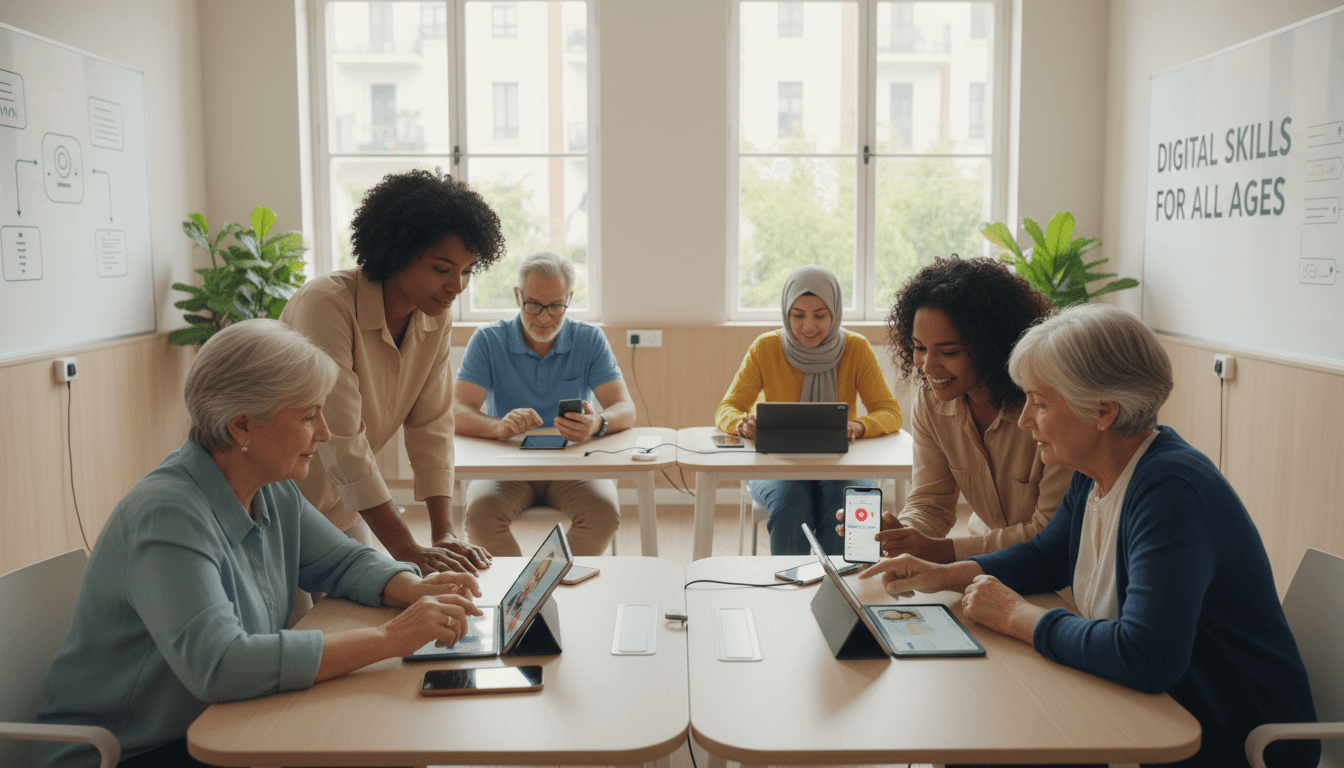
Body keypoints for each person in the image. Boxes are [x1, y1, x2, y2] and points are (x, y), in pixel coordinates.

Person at [861, 304, 1319, 768]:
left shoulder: (1172, 492)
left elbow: (1146, 655)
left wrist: (1018, 615)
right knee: (980, 733)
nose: (1025, 421)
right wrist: (944, 574)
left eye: (1040, 403)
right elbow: (1048, 557)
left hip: (1226, 739)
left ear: (1102, 412)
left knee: (991, 741)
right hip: (1151, 708)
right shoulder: (1096, 468)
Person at [35, 320, 484, 768]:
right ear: (243, 427)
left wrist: (411, 587)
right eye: (309, 416)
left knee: (382, 739)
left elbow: (341, 562)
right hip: (126, 752)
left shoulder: (269, 486)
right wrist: (390, 638)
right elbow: (220, 665)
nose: (324, 432)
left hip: (219, 722)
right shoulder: (167, 515)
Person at [281, 168, 502, 576]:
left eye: (468, 270)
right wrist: (404, 546)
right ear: (397, 252)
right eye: (442, 268)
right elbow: (340, 436)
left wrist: (443, 534)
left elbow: (432, 426)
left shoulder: (436, 314)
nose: (457, 286)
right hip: (279, 504)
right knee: (302, 628)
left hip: (344, 506)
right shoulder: (325, 304)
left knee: (361, 613)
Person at [839, 256, 1069, 561]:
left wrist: (940, 551)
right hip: (983, 559)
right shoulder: (930, 400)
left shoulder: (1048, 407)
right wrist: (902, 536)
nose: (927, 366)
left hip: (1056, 575)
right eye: (919, 347)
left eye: (948, 351)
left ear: (993, 346)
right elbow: (931, 501)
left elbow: (1048, 532)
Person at [453, 250, 636, 556]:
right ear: (517, 296)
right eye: (534, 305)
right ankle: (524, 596)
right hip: (507, 466)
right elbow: (457, 411)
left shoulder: (589, 339)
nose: (543, 318)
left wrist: (597, 423)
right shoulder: (488, 339)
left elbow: (625, 409)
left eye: (555, 307)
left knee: (603, 515)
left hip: (574, 465)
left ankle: (544, 588)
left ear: (569, 299)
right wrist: (498, 426)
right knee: (480, 517)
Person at [716, 265, 902, 556]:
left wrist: (858, 426)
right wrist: (742, 424)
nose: (808, 326)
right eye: (798, 315)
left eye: (820, 315)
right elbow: (728, 407)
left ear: (835, 312)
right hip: (777, 465)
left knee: (850, 508)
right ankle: (790, 593)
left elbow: (889, 412)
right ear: (786, 313)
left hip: (842, 463)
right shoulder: (765, 348)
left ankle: (846, 594)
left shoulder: (856, 348)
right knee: (791, 506)